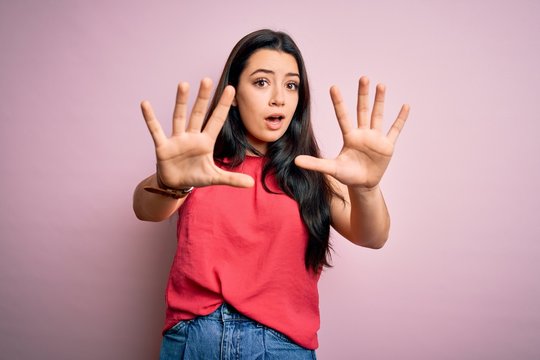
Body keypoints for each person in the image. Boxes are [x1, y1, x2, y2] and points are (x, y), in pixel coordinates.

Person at [133, 29, 409, 360]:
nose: (278, 97)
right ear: (233, 94)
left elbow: (373, 236)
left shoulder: (312, 173)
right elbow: (145, 207)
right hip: (195, 340)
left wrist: (366, 187)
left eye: (291, 85)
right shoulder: (199, 166)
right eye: (262, 82)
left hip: (281, 346)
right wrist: (171, 181)